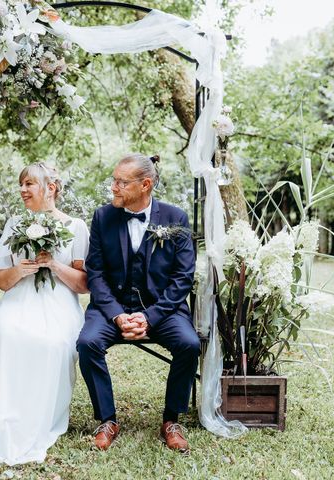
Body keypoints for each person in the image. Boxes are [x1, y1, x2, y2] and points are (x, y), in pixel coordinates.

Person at [0, 163, 89, 465]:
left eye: (30, 184)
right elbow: (0, 281)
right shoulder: (15, 223)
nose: (23, 190)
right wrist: (20, 270)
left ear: (51, 188)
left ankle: (39, 415)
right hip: (19, 299)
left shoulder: (75, 226)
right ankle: (2, 414)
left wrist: (54, 265)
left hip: (58, 303)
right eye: (22, 184)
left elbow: (83, 285)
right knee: (3, 334)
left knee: (50, 343)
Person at [77, 153, 199, 453]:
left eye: (121, 182)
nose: (114, 187)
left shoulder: (175, 218)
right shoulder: (103, 217)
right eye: (114, 180)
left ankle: (171, 420)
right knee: (87, 343)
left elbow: (183, 277)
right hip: (111, 310)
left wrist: (150, 317)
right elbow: (96, 273)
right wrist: (118, 316)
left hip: (162, 310)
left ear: (145, 184)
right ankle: (107, 420)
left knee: (189, 344)